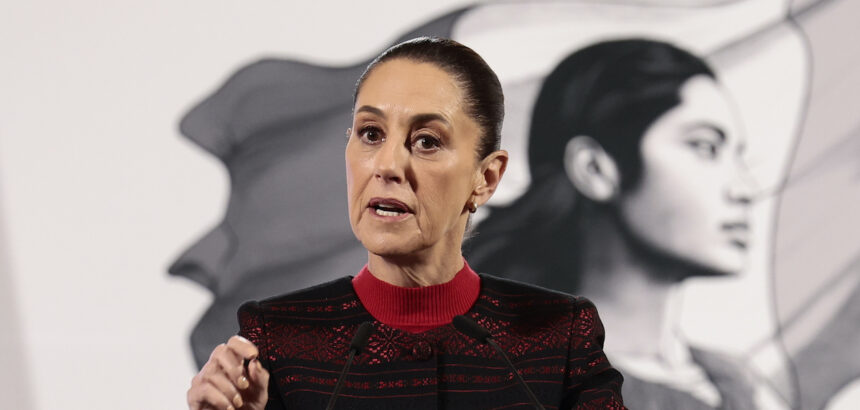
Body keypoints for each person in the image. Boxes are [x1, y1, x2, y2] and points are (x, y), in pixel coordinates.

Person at [186, 37, 626, 410]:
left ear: (485, 177)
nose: (387, 165)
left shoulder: (560, 336)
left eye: (427, 141)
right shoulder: (276, 342)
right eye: (371, 134)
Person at [466, 39, 774, 409]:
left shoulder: (736, 383)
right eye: (705, 147)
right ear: (595, 169)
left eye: (737, 156)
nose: (745, 190)